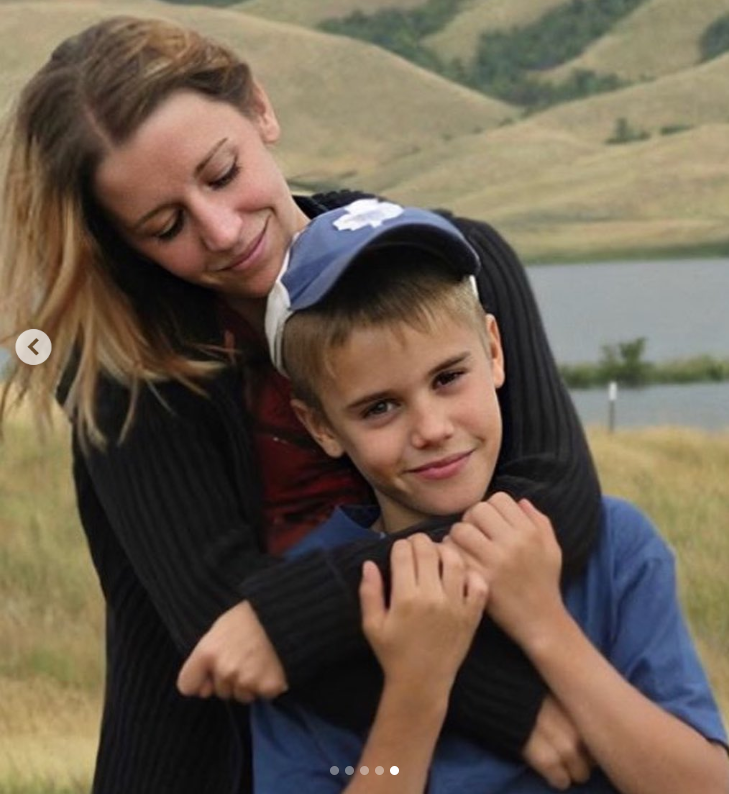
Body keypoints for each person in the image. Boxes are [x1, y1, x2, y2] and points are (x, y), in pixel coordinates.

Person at [0, 15, 603, 794]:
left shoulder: (454, 261)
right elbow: (221, 629)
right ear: (124, 243)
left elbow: (556, 502)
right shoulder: (127, 371)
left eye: (221, 174)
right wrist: (510, 707)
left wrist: (292, 612)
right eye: (165, 225)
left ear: (259, 109)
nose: (220, 231)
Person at [199, 202, 725, 793]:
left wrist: (545, 624)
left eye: (448, 377)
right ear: (319, 425)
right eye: (379, 407)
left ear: (495, 351)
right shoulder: (308, 617)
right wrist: (416, 688)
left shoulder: (615, 546)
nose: (431, 427)